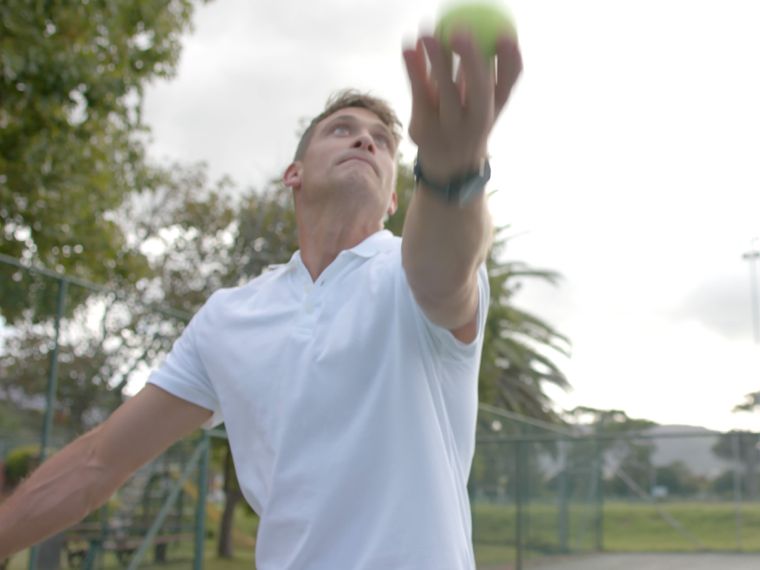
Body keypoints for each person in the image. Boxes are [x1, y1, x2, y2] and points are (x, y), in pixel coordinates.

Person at [0, 28, 523, 569]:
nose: (365, 140)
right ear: (293, 174)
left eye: (383, 141)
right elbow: (96, 463)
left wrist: (452, 174)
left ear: (394, 197)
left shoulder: (409, 272)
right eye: (342, 130)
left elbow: (444, 274)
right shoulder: (229, 317)